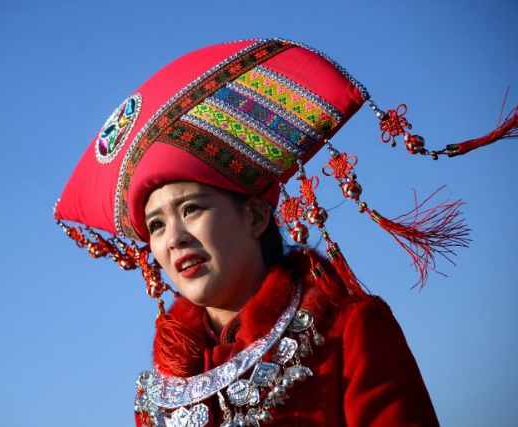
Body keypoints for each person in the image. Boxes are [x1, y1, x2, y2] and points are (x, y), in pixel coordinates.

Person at [54, 38, 513, 426]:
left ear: (254, 217)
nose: (173, 238)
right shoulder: (165, 391)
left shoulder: (349, 333)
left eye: (191, 209)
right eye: (156, 225)